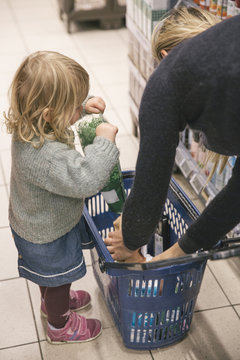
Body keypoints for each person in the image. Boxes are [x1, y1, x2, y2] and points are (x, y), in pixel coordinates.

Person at [104, 9, 240, 263]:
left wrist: (130, 240)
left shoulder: (169, 79)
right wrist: (177, 251)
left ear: (164, 57)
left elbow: (149, 189)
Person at [4, 51, 119, 344]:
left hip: (33, 223)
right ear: (50, 114)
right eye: (74, 105)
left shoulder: (31, 125)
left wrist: (81, 106)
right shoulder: (48, 156)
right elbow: (87, 179)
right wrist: (105, 142)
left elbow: (57, 107)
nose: (78, 111)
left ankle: (51, 301)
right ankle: (60, 326)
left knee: (50, 278)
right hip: (48, 235)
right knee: (58, 279)